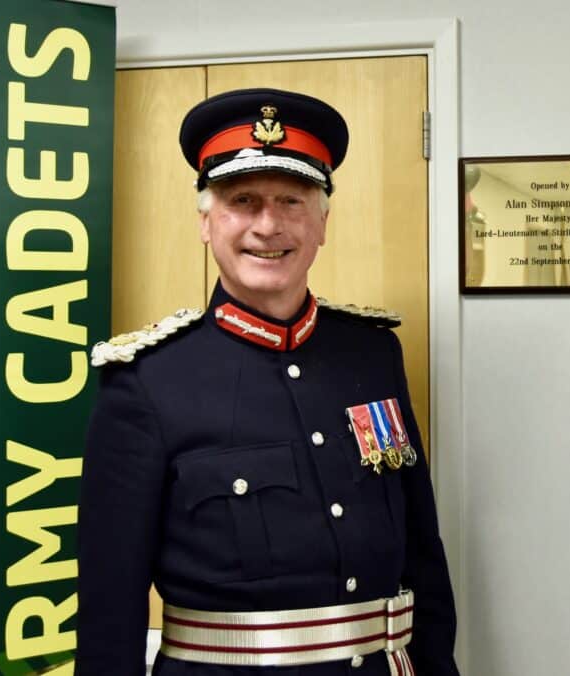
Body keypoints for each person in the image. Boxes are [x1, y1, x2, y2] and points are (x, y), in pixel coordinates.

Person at [77, 88, 459, 676]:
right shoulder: (147, 384)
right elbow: (110, 608)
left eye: (292, 200)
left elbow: (423, 554)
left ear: (322, 223)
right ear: (206, 222)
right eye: (243, 200)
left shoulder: (372, 354)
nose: (268, 224)